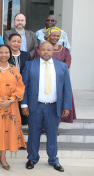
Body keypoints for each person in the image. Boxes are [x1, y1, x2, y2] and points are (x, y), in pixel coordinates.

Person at [21, 42, 72, 172]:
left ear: (52, 51)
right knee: (33, 133)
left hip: (53, 107)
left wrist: (66, 106)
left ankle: (53, 160)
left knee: (52, 134)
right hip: (35, 106)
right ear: (39, 50)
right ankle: (32, 158)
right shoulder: (30, 65)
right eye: (43, 49)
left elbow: (67, 88)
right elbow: (24, 87)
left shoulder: (62, 67)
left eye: (49, 50)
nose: (46, 52)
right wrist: (24, 104)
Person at [34, 27, 75, 123]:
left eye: (58, 36)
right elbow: (36, 61)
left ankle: (54, 126)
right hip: (43, 79)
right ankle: (43, 125)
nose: (55, 38)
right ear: (48, 36)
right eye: (53, 35)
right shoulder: (40, 49)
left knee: (58, 105)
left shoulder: (65, 50)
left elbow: (67, 64)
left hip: (59, 81)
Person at [7, 33, 32, 125]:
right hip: (8, 88)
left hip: (23, 86)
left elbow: (30, 70)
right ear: (9, 42)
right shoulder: (5, 54)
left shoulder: (26, 55)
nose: (16, 43)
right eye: (14, 41)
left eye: (18, 42)